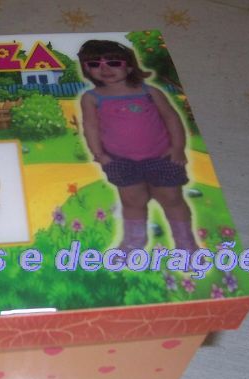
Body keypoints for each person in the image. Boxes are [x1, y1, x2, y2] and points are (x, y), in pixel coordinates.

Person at [78, 39, 198, 253]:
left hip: (162, 157)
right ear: (86, 69)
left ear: (129, 66)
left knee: (172, 199)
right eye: (95, 64)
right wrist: (99, 154)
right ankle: (134, 244)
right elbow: (91, 127)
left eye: (113, 62)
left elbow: (172, 118)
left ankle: (186, 245)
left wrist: (178, 148)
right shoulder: (91, 98)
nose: (105, 68)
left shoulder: (149, 91)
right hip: (120, 161)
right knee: (132, 202)